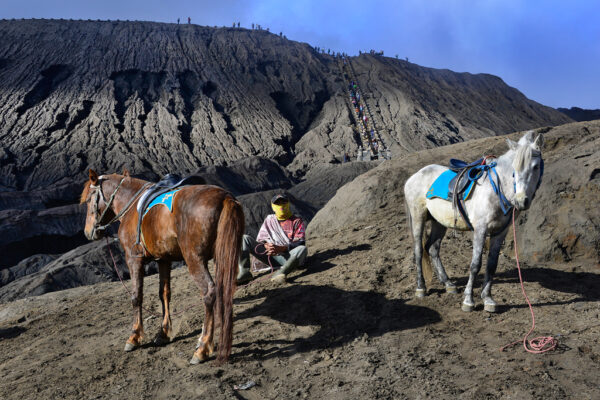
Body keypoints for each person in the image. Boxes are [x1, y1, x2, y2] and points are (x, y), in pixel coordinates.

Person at [237, 194, 307, 284]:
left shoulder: (297, 221)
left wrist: (280, 248)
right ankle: (244, 273)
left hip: (288, 257)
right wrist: (266, 245)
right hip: (269, 256)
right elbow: (261, 239)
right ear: (273, 207)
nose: (281, 206)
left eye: (283, 202)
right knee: (244, 238)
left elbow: (300, 242)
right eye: (278, 204)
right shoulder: (270, 220)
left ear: (288, 204)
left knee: (302, 249)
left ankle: (281, 273)